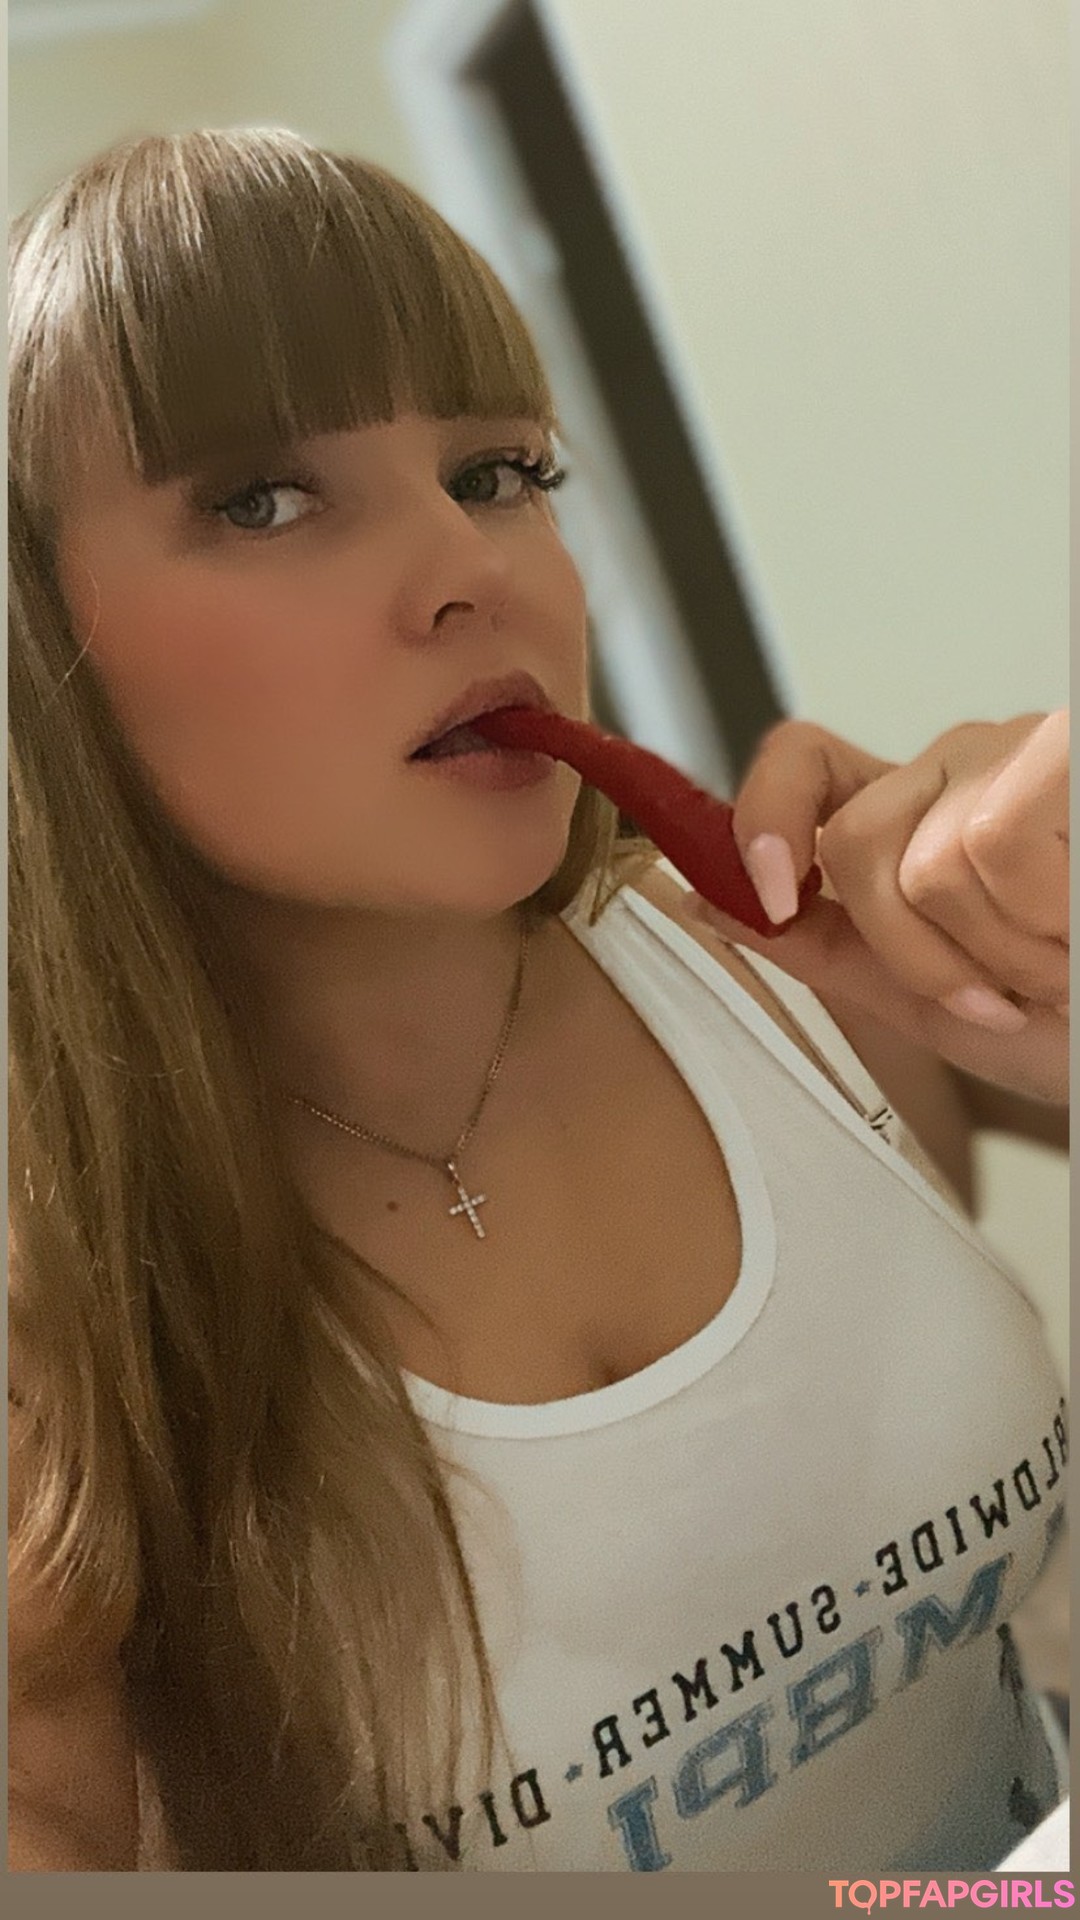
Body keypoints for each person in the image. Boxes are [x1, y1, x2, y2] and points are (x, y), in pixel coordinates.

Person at [8, 127, 1068, 1875]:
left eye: (499, 471)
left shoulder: (797, 976)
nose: (475, 568)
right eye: (263, 499)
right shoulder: (50, 1353)